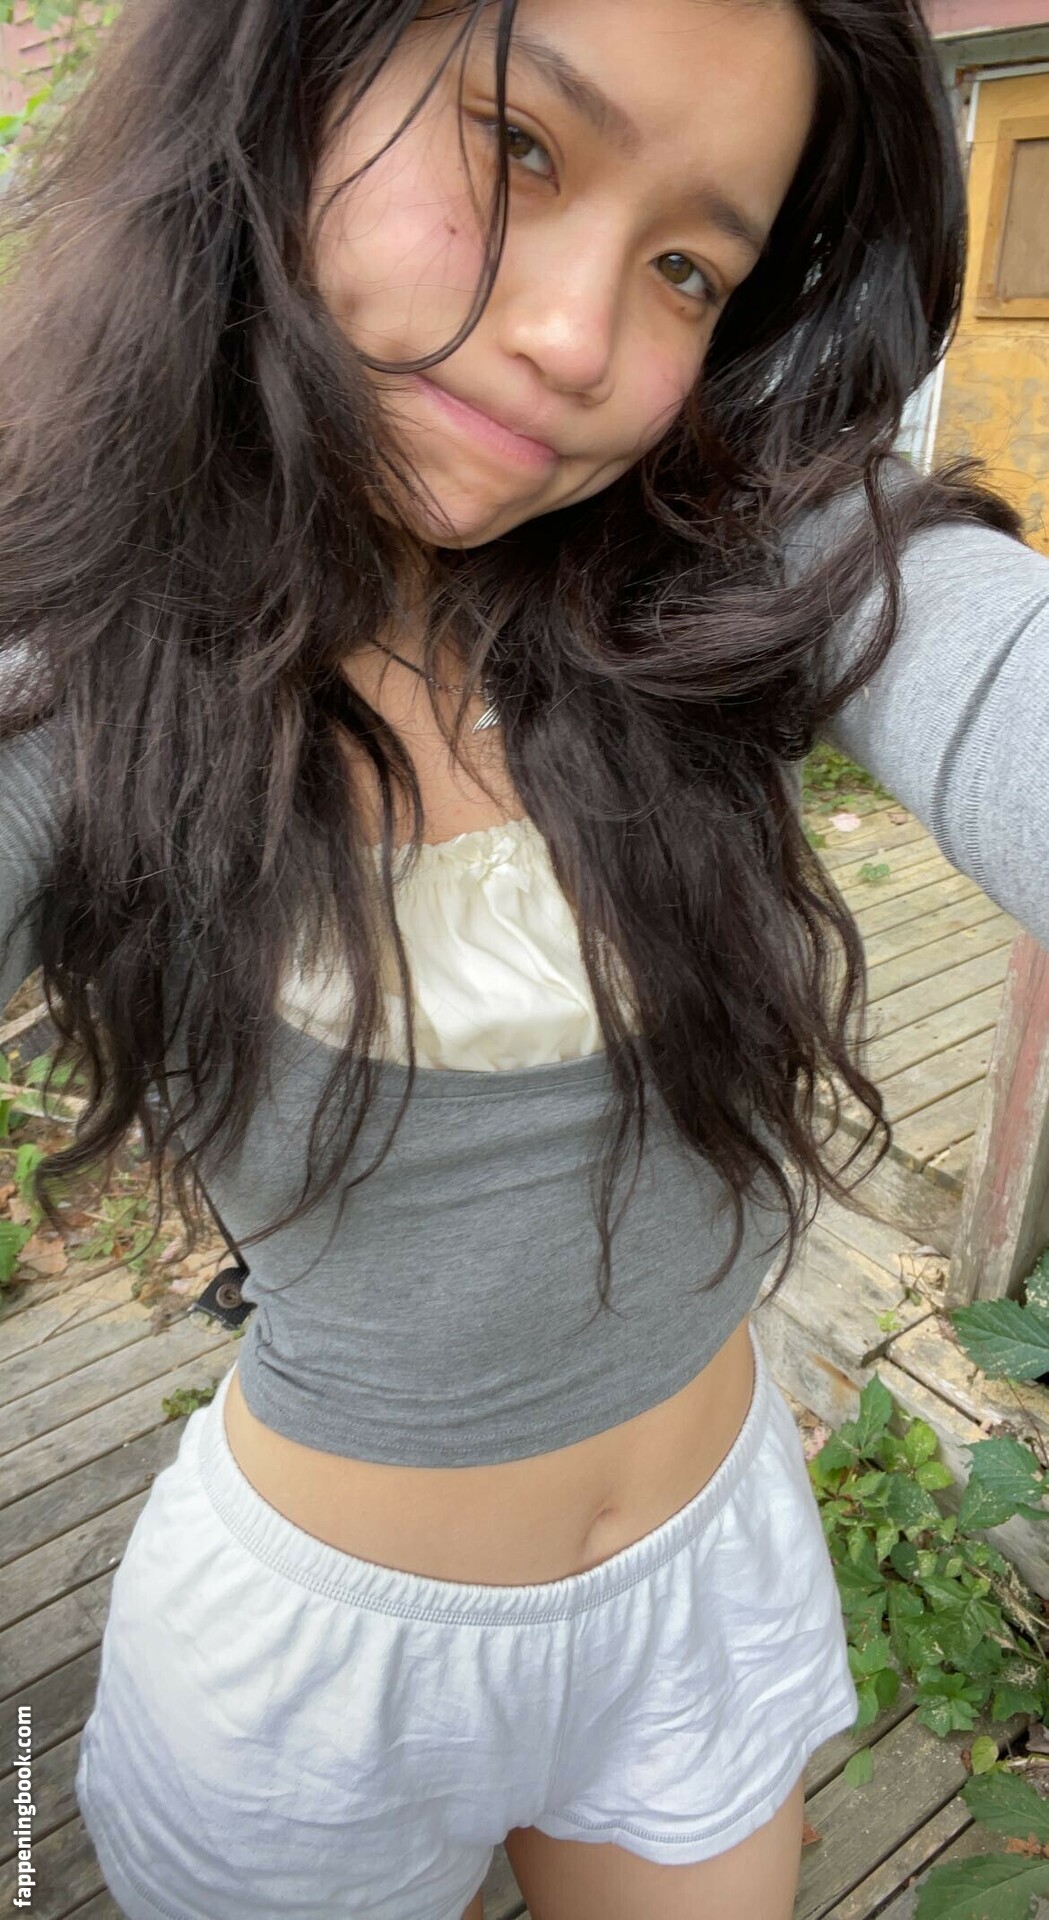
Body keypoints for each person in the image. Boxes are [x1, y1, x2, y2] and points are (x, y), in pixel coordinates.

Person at [1, 0, 1047, 1914]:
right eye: (520, 147)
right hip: (321, 1677)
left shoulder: (728, 568)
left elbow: (995, 671)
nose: (579, 339)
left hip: (705, 1581)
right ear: (284, 90)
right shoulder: (86, 663)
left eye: (686, 266)